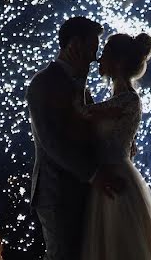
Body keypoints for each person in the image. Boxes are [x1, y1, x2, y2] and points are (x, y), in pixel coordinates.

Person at [26, 17, 127, 260]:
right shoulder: (43, 84)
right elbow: (52, 142)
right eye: (92, 48)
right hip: (57, 193)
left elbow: (90, 132)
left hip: (82, 191)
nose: (95, 58)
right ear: (74, 45)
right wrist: (94, 174)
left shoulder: (83, 89)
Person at [77, 32, 151, 260]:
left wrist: (78, 88)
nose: (99, 60)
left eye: (105, 55)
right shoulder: (120, 99)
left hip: (114, 179)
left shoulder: (127, 100)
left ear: (117, 62)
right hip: (109, 176)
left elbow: (81, 114)